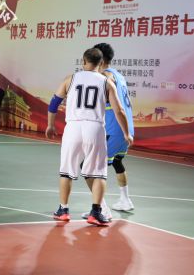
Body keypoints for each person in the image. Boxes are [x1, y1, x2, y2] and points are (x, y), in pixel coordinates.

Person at [46, 48, 133, 226]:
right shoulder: (107, 82)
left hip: (73, 127)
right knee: (98, 173)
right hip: (95, 128)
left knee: (67, 171)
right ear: (101, 63)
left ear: (83, 61)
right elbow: (119, 111)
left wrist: (50, 125)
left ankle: (63, 210)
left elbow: (54, 103)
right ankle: (96, 212)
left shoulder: (70, 79)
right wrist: (126, 133)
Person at [94, 43, 136, 212]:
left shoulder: (105, 76)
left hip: (115, 129)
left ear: (100, 59)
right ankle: (125, 200)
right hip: (127, 128)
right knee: (117, 162)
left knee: (91, 167)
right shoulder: (120, 76)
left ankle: (100, 209)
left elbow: (112, 105)